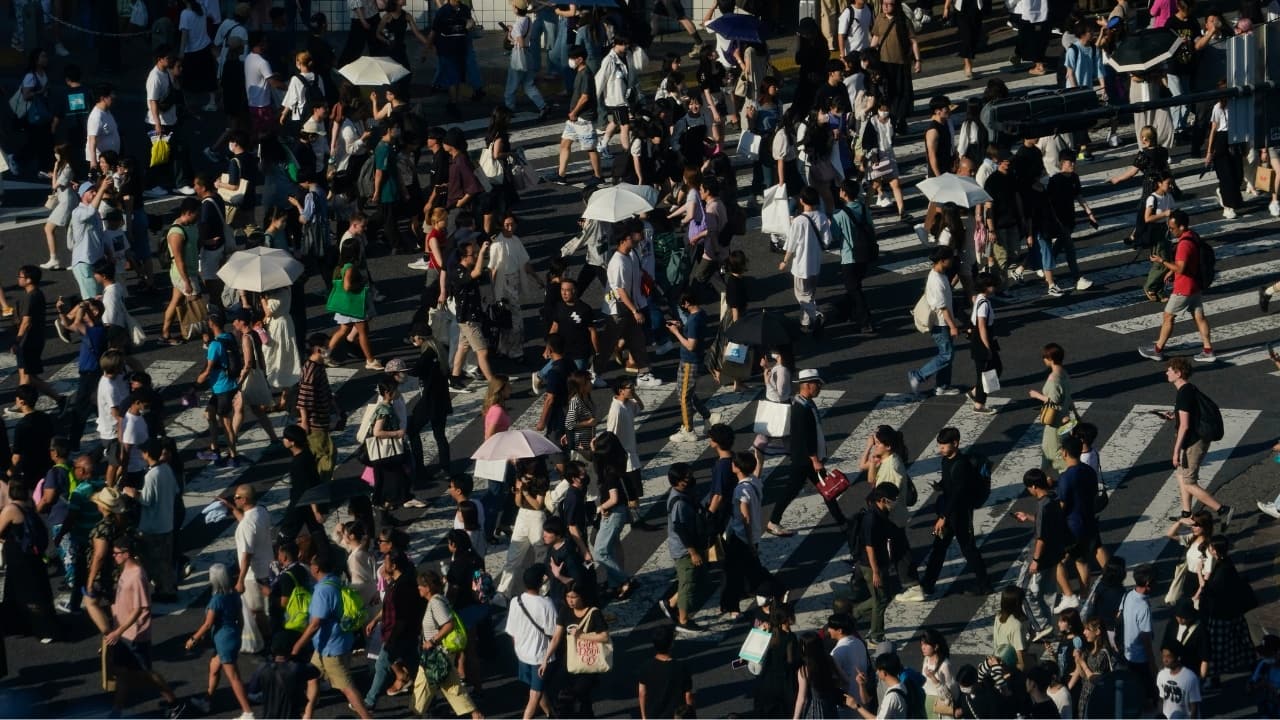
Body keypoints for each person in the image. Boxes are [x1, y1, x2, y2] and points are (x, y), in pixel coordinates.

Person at [901, 426, 993, 600]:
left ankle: (985, 584)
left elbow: (958, 494)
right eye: (939, 446)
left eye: (943, 446)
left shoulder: (962, 465)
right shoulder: (947, 460)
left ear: (955, 443)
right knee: (939, 548)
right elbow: (949, 484)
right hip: (950, 511)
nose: (940, 449)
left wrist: (943, 517)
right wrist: (941, 485)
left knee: (968, 549)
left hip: (959, 513)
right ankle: (928, 584)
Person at [104, 536, 185, 716]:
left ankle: (175, 704)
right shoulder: (126, 569)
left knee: (146, 673)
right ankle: (116, 710)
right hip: (123, 632)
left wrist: (118, 631)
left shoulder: (137, 575)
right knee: (123, 672)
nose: (113, 556)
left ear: (126, 554)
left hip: (134, 634)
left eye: (116, 553)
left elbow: (139, 609)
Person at [290, 550, 372, 719]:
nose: (310, 567)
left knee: (347, 687)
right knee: (312, 678)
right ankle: (307, 715)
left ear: (317, 568)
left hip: (330, 648)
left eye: (312, 564)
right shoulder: (335, 581)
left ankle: (367, 718)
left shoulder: (322, 591)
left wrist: (297, 645)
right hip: (337, 642)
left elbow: (315, 624)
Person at [1156, 358, 1234, 528]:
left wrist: (1176, 452)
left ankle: (1222, 510)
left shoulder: (1184, 393)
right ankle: (1186, 514)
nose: (1166, 373)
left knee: (1189, 482)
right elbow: (1189, 414)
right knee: (1180, 475)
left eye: (1169, 370)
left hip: (1194, 442)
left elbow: (1184, 426)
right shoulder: (1188, 389)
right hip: (1195, 439)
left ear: (1178, 373)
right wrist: (1173, 415)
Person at [768, 369, 847, 535]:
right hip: (804, 460)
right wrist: (815, 459)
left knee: (825, 489)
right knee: (802, 489)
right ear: (807, 385)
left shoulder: (805, 403)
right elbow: (805, 437)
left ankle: (842, 521)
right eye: (817, 384)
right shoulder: (801, 408)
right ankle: (773, 522)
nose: (819, 387)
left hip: (807, 458)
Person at [1138, 210, 1216, 363]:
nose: (1171, 231)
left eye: (1172, 228)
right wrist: (1170, 271)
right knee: (1199, 317)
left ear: (1181, 227)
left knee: (1168, 316)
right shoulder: (1193, 235)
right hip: (1195, 285)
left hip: (1183, 288)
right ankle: (1208, 350)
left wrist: (1162, 262)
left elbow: (1180, 268)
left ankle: (1157, 350)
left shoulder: (1183, 245)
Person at [184, 563, 255, 719]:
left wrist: (193, 639)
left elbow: (208, 623)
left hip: (223, 641)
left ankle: (248, 712)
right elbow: (240, 619)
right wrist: (237, 634)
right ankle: (207, 700)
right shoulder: (234, 594)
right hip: (232, 637)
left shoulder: (216, 599)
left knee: (234, 678)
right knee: (214, 668)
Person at [412, 569, 483, 719]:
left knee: (423, 686)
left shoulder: (436, 603)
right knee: (452, 686)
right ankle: (476, 715)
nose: (418, 588)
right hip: (439, 653)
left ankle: (416, 713)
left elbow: (448, 624)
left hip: (436, 653)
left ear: (428, 587)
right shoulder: (439, 600)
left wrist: (432, 640)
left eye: (420, 585)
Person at [1011, 469, 1070, 637]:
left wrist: (1035, 560)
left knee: (1022, 590)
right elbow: (1046, 523)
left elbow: (1041, 537)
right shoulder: (1053, 498)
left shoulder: (1042, 505)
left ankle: (1040, 626)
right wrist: (1028, 517)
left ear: (1034, 486)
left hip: (1041, 556)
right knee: (1045, 591)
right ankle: (1045, 624)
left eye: (1028, 487)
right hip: (1054, 554)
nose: (1028, 490)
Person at [505, 565, 563, 720]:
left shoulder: (515, 602)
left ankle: (550, 713)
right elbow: (554, 634)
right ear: (541, 582)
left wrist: (518, 650)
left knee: (536, 689)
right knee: (535, 694)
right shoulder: (546, 604)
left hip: (523, 654)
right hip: (540, 657)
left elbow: (512, 631)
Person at [223, 484, 272, 653]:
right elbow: (248, 524)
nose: (234, 499)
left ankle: (266, 643)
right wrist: (232, 509)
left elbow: (247, 554)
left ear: (244, 500)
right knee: (262, 608)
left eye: (236, 497)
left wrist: (240, 580)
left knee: (256, 611)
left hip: (254, 574)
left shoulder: (246, 525)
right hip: (267, 567)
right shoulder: (261, 512)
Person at [720, 449, 769, 618]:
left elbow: (745, 517)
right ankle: (753, 591)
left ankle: (731, 605)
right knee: (749, 567)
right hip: (755, 533)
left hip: (741, 537)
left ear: (737, 468)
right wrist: (758, 459)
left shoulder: (740, 491)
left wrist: (748, 544)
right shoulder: (754, 482)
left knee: (733, 572)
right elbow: (757, 472)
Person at [660, 463, 706, 634]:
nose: (690, 479)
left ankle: (671, 603)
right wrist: (692, 552)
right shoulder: (679, 502)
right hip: (684, 549)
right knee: (688, 583)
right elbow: (679, 528)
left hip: (690, 545)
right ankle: (683, 620)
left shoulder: (683, 493)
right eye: (687, 477)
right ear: (678, 482)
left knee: (693, 578)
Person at [9, 266, 64, 408]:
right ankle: (23, 404)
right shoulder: (36, 294)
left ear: (29, 280)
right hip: (33, 339)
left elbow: (26, 322)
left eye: (20, 276)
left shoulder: (31, 297)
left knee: (28, 376)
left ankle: (26, 404)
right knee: (26, 374)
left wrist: (17, 340)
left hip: (29, 341)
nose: (18, 279)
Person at [667, 292, 719, 442]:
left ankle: (688, 430)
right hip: (688, 361)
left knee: (684, 397)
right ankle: (708, 416)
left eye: (683, 305)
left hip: (690, 362)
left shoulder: (695, 320)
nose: (683, 308)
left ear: (688, 303)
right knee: (686, 393)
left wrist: (676, 332)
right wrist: (681, 326)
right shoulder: (699, 314)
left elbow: (691, 345)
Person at [908, 247, 960, 396]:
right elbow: (942, 308)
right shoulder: (936, 280)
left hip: (943, 322)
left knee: (947, 353)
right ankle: (918, 375)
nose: (952, 261)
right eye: (950, 258)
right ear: (942, 260)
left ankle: (942, 386)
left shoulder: (940, 274)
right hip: (940, 324)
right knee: (947, 355)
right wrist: (953, 326)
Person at [855, 484, 904, 642]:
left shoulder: (881, 512)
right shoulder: (871, 519)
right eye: (893, 499)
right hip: (871, 565)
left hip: (880, 562)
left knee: (883, 597)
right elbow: (870, 548)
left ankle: (856, 612)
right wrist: (875, 572)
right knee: (881, 599)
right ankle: (876, 636)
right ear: (883, 500)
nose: (895, 501)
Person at [194, 311, 242, 467]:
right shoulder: (228, 337)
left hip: (222, 388)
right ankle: (215, 449)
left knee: (226, 424)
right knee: (210, 414)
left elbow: (208, 370)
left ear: (212, 324)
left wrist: (197, 382)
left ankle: (234, 456)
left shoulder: (215, 345)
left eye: (208, 322)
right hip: (225, 385)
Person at [779, 186, 829, 333]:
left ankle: (816, 315)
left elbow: (791, 245)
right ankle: (805, 321)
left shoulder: (799, 221)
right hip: (816, 263)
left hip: (801, 265)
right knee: (810, 294)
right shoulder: (822, 217)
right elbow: (826, 241)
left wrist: (784, 261)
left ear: (801, 201)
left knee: (801, 296)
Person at [552, 45, 603, 185]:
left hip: (583, 118)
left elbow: (585, 97)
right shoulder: (580, 72)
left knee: (590, 148)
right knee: (564, 144)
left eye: (572, 58)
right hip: (574, 119)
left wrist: (574, 112)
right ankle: (561, 175)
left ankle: (598, 176)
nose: (570, 61)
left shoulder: (586, 74)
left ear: (580, 59)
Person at [137, 440, 179, 603]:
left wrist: (133, 493)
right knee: (165, 560)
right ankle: (169, 587)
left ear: (147, 454)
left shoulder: (151, 475)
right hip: (167, 522)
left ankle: (165, 591)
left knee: (153, 560)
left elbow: (146, 500)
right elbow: (175, 490)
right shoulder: (166, 469)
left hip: (153, 526)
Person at [1028, 342, 1075, 480]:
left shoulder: (1053, 378)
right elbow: (1068, 397)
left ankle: (1067, 477)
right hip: (1065, 417)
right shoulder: (1064, 374)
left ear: (1051, 359)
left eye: (1045, 358)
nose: (1044, 360)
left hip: (1055, 421)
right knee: (1048, 450)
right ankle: (1044, 477)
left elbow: (1053, 400)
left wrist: (1036, 395)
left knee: (1054, 451)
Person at [638, 624, 696, 719]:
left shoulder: (646, 667)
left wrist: (644, 717)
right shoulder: (681, 667)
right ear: (671, 644)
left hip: (654, 715)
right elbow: (688, 696)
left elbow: (642, 693)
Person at [1121, 565, 1159, 707]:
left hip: (1128, 652)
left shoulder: (1128, 595)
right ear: (1148, 584)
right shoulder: (1143, 607)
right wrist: (1153, 664)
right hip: (1141, 657)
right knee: (1149, 693)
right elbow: (1145, 638)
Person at [845, 652, 909, 718]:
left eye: (878, 670)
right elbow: (866, 700)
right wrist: (862, 685)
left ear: (884, 673)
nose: (877, 672)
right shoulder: (902, 685)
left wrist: (856, 706)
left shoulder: (892, 696)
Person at [795, 630, 842, 717]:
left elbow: (801, 699)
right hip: (830, 705)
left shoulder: (805, 670)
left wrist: (795, 717)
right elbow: (844, 679)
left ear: (804, 648)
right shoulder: (829, 659)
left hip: (814, 708)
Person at [828, 614, 870, 706]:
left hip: (847, 702)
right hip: (862, 696)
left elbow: (834, 678)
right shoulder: (859, 643)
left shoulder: (837, 652)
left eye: (831, 627)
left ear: (839, 630)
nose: (828, 630)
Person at [1157, 643, 1201, 719]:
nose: (1165, 660)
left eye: (1168, 656)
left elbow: (1194, 705)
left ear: (1178, 657)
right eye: (1163, 656)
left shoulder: (1190, 677)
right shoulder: (1161, 675)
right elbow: (1161, 699)